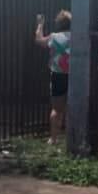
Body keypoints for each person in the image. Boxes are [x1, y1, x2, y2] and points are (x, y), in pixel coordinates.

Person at [34, 10, 71, 144]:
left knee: (56, 109)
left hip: (58, 75)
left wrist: (40, 25)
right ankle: (71, 139)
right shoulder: (77, 37)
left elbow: (39, 40)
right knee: (71, 108)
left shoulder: (54, 37)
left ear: (58, 23)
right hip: (74, 75)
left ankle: (53, 138)